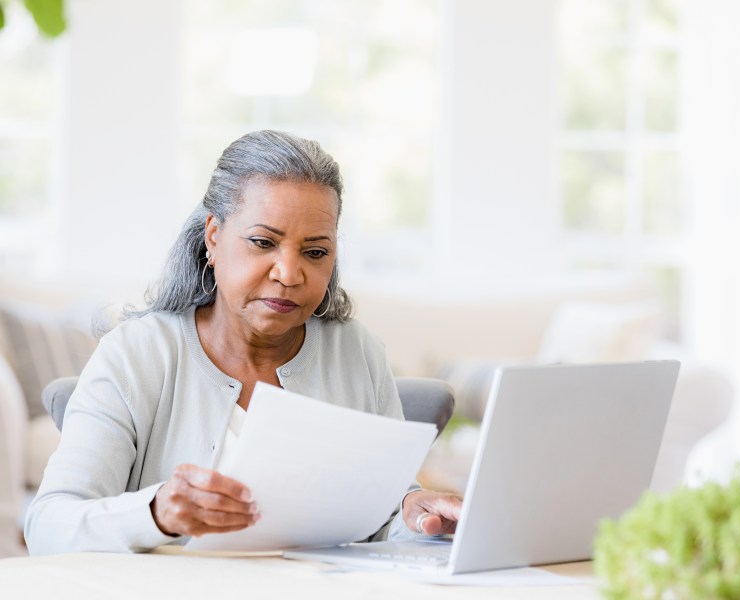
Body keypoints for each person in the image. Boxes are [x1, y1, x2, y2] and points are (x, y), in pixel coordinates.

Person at [24, 130, 462, 555]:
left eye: (315, 252)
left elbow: (382, 518)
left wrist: (414, 515)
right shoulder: (136, 353)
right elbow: (49, 526)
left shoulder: (357, 351)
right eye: (263, 242)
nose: (289, 274)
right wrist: (155, 514)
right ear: (213, 237)